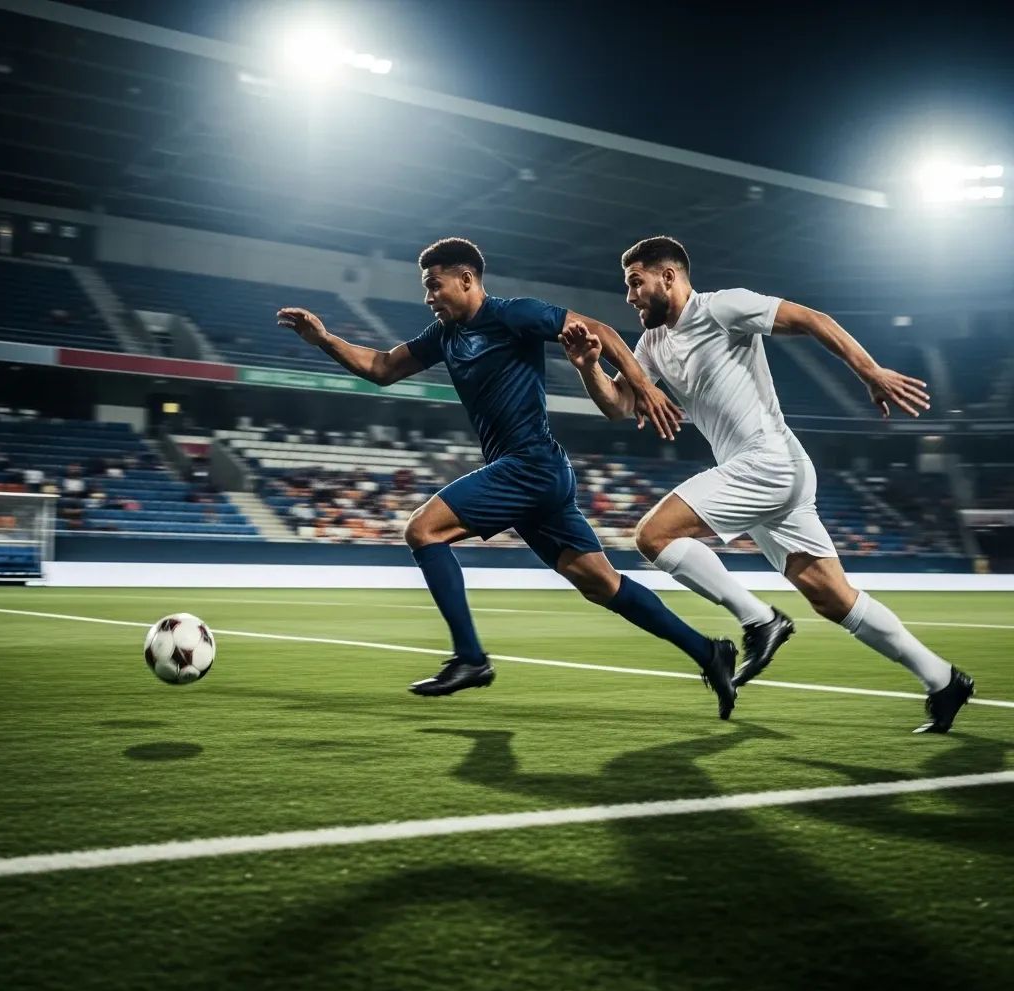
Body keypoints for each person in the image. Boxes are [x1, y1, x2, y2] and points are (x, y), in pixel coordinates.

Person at [278, 237, 738, 715]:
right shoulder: (444, 337)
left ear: (467, 279)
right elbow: (383, 367)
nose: (429, 297)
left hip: (529, 465)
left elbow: (598, 327)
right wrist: (325, 340)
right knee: (600, 583)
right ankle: (709, 652)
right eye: (425, 289)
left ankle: (471, 658)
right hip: (535, 474)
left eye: (434, 286)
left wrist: (642, 386)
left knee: (422, 529)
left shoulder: (513, 314)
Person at [562, 235, 973, 734]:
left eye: (635, 282)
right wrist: (588, 368)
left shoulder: (723, 307)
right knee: (831, 597)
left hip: (767, 462)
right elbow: (620, 407)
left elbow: (812, 320)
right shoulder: (651, 344)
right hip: (770, 474)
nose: (629, 296)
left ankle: (760, 621)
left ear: (667, 277)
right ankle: (943, 679)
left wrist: (870, 372)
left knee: (654, 536)